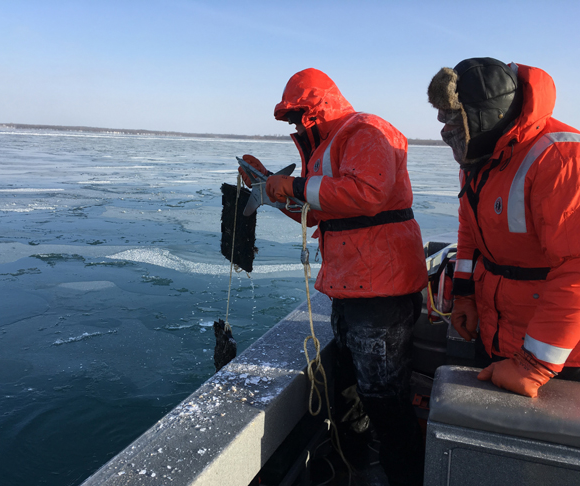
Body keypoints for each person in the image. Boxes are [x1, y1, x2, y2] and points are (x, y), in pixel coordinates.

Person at [240, 68, 428, 486]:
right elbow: (318, 213)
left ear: (314, 110)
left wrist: (291, 185)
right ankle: (352, 468)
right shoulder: (325, 146)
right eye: (289, 119)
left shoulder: (365, 130)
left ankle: (405, 478)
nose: (293, 125)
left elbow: (367, 194)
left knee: (385, 402)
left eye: (296, 117)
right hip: (351, 287)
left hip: (381, 291)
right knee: (349, 391)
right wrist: (270, 189)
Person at [427, 57, 580, 398]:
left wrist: (534, 365)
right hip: (495, 333)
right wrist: (465, 296)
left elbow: (576, 268)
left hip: (561, 357)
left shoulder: (562, 159)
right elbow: (469, 231)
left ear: (486, 118)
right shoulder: (479, 159)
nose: (449, 132)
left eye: (457, 122)